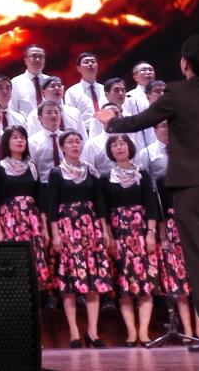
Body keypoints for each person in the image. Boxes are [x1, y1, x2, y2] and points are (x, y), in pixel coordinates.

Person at [96, 34, 199, 352]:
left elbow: (140, 121)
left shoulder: (176, 92)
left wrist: (111, 121)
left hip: (191, 185)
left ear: (185, 63)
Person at [47, 130, 112, 348]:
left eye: (78, 141)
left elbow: (100, 202)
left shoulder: (91, 170)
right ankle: (74, 332)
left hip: (90, 227)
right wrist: (55, 234)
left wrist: (104, 230)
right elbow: (52, 205)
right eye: (70, 142)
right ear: (62, 147)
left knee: (93, 280)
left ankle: (92, 331)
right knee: (70, 282)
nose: (75, 145)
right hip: (67, 228)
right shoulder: (56, 172)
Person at [140, 121, 199, 340]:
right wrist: (163, 237)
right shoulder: (161, 180)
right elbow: (160, 211)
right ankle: (187, 329)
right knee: (180, 283)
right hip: (173, 229)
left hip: (195, 228)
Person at [100, 134, 159, 347]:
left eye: (122, 143)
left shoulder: (142, 174)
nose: (119, 147)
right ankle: (131, 332)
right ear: (110, 151)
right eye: (114, 145)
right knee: (124, 284)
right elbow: (104, 210)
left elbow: (151, 205)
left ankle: (143, 331)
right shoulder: (105, 178)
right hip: (119, 234)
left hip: (141, 231)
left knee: (145, 282)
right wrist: (108, 234)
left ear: (130, 147)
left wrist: (151, 232)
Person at [0, 126, 49, 288]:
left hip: (32, 219)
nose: (20, 140)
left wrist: (44, 226)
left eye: (22, 137)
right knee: (13, 258)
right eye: (15, 137)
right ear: (6, 142)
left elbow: (40, 198)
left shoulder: (32, 166)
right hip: (9, 218)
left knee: (35, 256)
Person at [64, 52, 105, 131]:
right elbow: (71, 117)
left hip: (106, 130)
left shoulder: (105, 89)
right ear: (78, 68)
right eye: (86, 62)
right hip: (85, 131)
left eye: (93, 62)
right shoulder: (72, 92)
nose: (90, 64)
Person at [9, 45, 48, 114]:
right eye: (34, 56)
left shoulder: (51, 82)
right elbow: (12, 110)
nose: (37, 59)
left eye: (41, 56)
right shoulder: (15, 82)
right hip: (25, 120)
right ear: (25, 60)